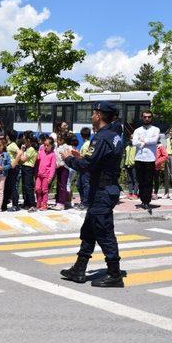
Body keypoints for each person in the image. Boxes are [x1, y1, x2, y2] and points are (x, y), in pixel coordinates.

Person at [60, 101, 125, 287]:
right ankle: (79, 269)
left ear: (100, 115)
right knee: (89, 231)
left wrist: (70, 159)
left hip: (102, 191)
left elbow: (88, 166)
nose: (91, 116)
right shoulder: (114, 136)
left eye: (94, 113)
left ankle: (114, 274)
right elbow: (98, 162)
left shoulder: (102, 137)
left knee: (104, 232)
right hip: (104, 189)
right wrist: (81, 158)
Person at [132, 111, 159, 209]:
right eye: (145, 117)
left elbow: (154, 140)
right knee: (140, 180)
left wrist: (143, 140)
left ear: (151, 118)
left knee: (148, 181)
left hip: (150, 159)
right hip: (139, 158)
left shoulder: (156, 129)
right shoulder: (137, 130)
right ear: (142, 118)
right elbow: (134, 142)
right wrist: (144, 141)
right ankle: (142, 200)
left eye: (149, 117)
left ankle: (147, 201)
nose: (147, 119)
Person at [35, 137, 56, 211]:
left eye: (48, 145)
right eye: (45, 145)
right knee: (37, 189)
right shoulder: (41, 152)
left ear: (51, 146)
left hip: (46, 176)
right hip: (38, 174)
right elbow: (37, 162)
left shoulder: (53, 154)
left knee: (44, 190)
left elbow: (53, 167)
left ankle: (44, 204)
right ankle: (39, 202)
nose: (46, 147)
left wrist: (50, 177)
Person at [2, 129, 21, 212]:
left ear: (8, 136)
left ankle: (15, 205)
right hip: (9, 167)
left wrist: (14, 163)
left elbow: (19, 153)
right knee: (7, 186)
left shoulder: (13, 145)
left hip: (13, 168)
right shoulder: (10, 144)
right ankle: (4, 204)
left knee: (13, 186)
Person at [75, 127, 92, 210]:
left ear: (81, 136)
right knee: (80, 185)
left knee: (84, 185)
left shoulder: (85, 145)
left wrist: (77, 154)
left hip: (85, 168)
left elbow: (84, 157)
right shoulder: (89, 143)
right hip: (84, 168)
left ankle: (85, 203)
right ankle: (83, 202)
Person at [20, 135, 38, 212]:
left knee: (28, 187)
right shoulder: (28, 149)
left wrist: (21, 151)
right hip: (25, 168)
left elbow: (23, 159)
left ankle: (32, 204)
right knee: (24, 186)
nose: (24, 142)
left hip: (28, 169)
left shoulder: (31, 149)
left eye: (25, 140)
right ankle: (26, 203)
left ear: (28, 140)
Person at [154, 135, 169, 200]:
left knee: (156, 180)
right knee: (148, 180)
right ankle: (148, 193)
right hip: (148, 165)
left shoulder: (160, 146)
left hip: (156, 167)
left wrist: (157, 162)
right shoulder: (150, 145)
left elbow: (165, 156)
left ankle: (155, 193)